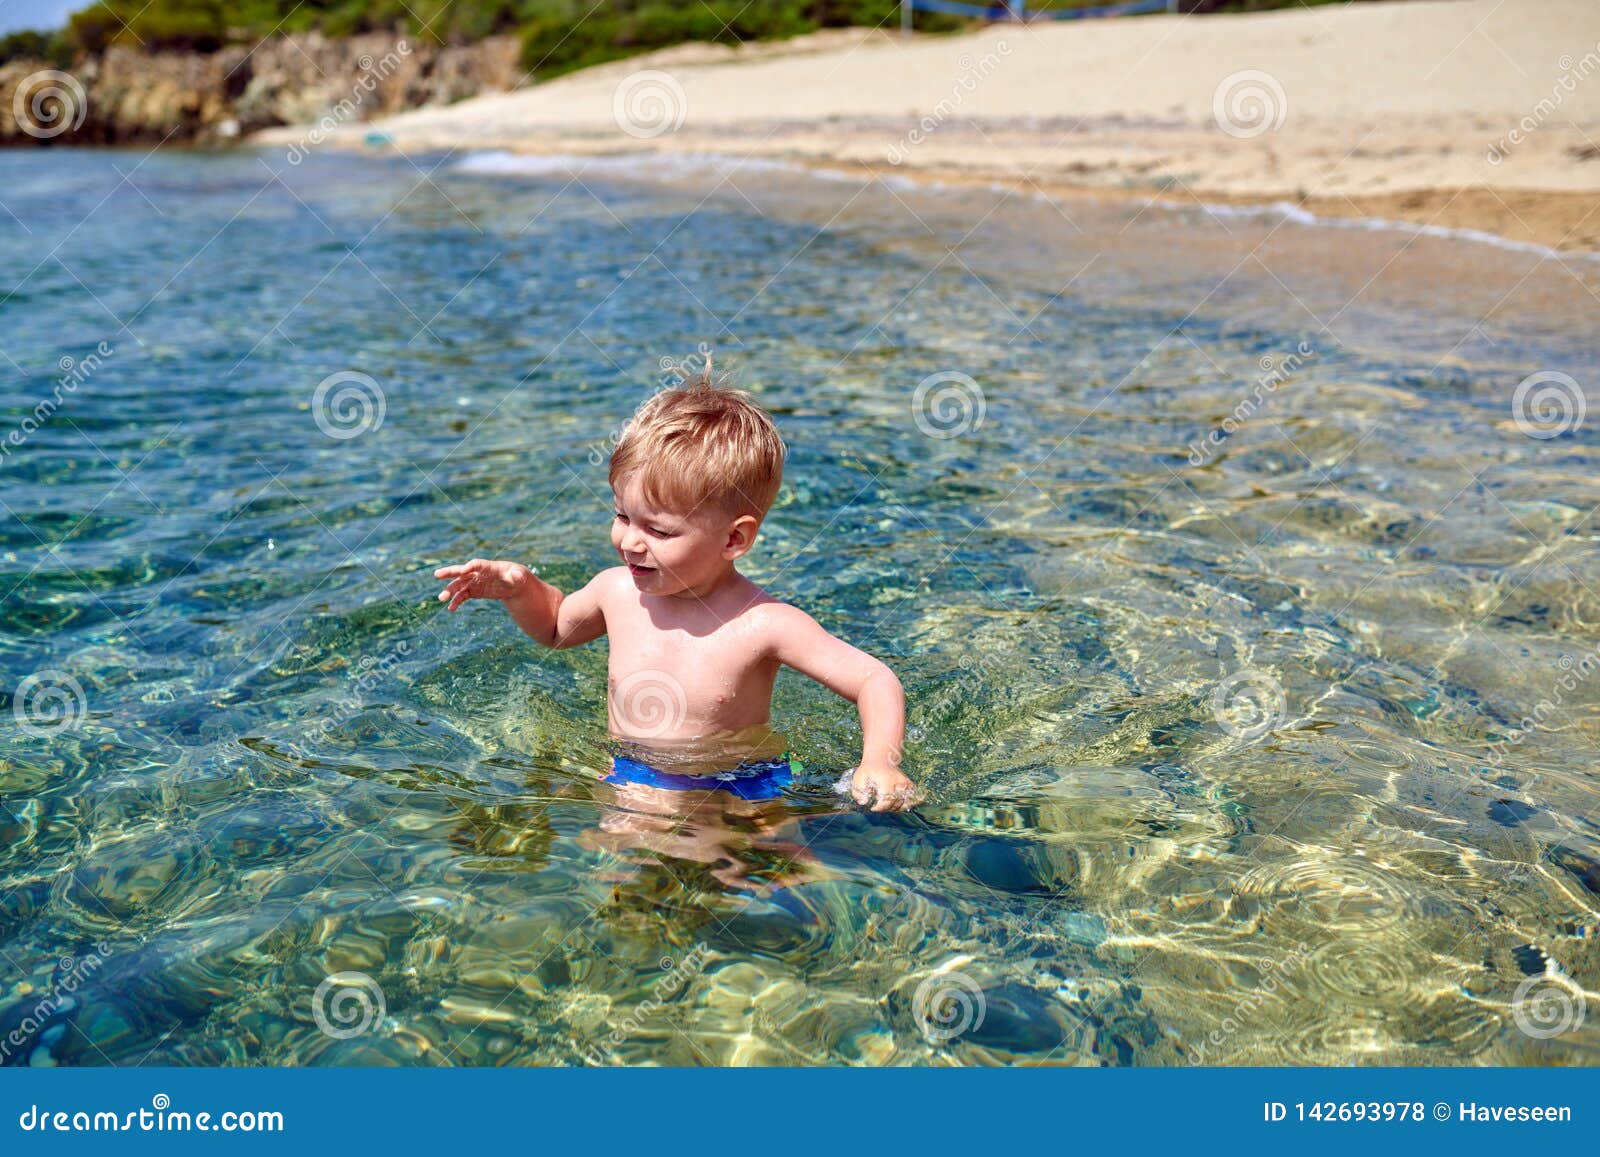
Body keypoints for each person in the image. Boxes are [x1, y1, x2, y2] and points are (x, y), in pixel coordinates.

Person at [432, 362, 916, 812]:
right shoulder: (616, 592)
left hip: (746, 783)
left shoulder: (765, 624)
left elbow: (875, 680)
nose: (630, 541)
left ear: (734, 538)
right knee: (621, 875)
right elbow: (557, 627)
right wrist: (521, 589)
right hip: (632, 772)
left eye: (659, 531)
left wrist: (880, 762)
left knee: (784, 879)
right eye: (623, 516)